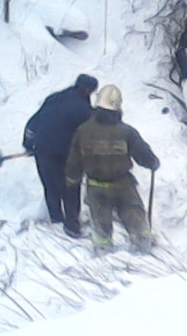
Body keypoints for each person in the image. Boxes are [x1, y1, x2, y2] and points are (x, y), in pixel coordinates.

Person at [65, 85, 160, 255]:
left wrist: (72, 179)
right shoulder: (126, 132)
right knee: (135, 218)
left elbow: (74, 159)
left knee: (101, 224)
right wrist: (152, 162)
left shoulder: (83, 131)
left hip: (96, 186)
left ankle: (104, 253)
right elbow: (143, 153)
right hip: (123, 185)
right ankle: (144, 249)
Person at [22, 73, 98, 238]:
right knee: (71, 187)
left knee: (50, 187)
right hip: (65, 155)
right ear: (88, 90)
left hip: (42, 151)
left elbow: (32, 123)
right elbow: (89, 136)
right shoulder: (84, 110)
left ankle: (56, 220)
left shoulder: (53, 99)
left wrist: (28, 144)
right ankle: (72, 226)